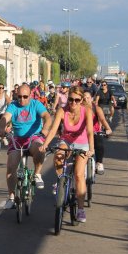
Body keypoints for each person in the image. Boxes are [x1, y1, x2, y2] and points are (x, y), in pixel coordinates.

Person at [40, 86, 94, 223]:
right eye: (71, 99)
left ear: (81, 100)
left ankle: (81, 209)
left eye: (77, 100)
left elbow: (89, 132)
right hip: (66, 141)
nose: (73, 103)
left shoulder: (86, 111)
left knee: (78, 174)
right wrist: (45, 144)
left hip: (82, 143)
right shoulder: (62, 111)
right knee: (58, 157)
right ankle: (61, 180)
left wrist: (91, 149)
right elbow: (53, 130)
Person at [0, 84, 52, 210]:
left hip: (34, 137)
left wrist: (46, 128)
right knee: (11, 167)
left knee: (39, 148)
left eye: (25, 97)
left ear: (30, 95)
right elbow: (6, 117)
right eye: (19, 96)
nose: (22, 99)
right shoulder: (13, 105)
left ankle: (37, 174)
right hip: (17, 140)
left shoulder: (36, 104)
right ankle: (11, 197)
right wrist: (1, 127)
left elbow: (47, 117)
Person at [83, 91, 112, 174]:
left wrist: (108, 128)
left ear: (91, 99)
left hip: (94, 131)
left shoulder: (96, 108)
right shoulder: (79, 108)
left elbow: (102, 119)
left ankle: (99, 163)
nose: (86, 99)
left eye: (88, 97)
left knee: (99, 144)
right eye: (84, 97)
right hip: (82, 133)